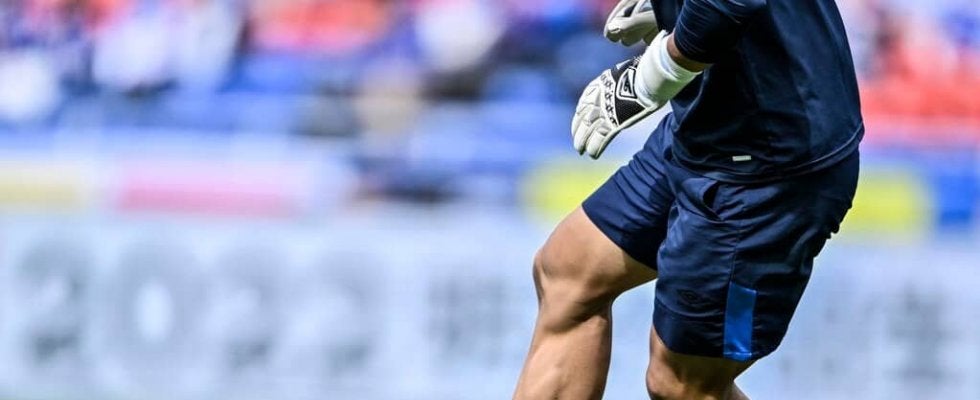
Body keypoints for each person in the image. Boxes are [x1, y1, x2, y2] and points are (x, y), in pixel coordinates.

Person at [512, 0, 863, 398]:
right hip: (709, 126)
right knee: (570, 272)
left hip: (768, 166)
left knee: (681, 385)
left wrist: (652, 74)